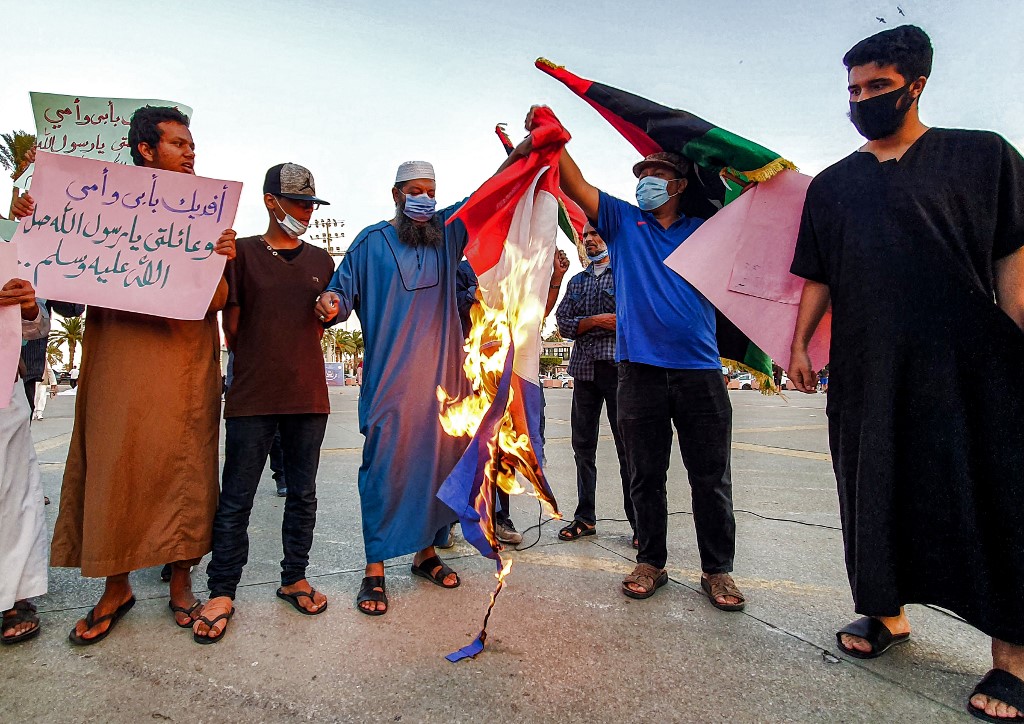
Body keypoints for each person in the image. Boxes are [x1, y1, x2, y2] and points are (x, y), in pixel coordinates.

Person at [787, 25, 1024, 721]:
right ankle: (886, 614)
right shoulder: (833, 185)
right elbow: (817, 276)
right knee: (871, 490)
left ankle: (1011, 658)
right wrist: (799, 346)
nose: (861, 100)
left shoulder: (983, 158)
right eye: (854, 90)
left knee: (991, 497)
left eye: (877, 88)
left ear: (916, 85)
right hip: (867, 365)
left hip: (972, 362)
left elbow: (1012, 273)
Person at [15, 105, 238, 644]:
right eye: (178, 143)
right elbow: (60, 288)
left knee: (186, 465)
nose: (190, 151)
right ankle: (117, 587)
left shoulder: (206, 211)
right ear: (145, 149)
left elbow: (221, 299)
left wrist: (221, 258)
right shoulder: (95, 201)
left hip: (185, 360)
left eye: (192, 143)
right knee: (118, 460)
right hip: (118, 352)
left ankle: (182, 583)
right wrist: (33, 219)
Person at [518, 109, 745, 610]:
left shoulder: (706, 229)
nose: (646, 184)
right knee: (645, 472)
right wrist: (550, 135)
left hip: (700, 372)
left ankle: (718, 571)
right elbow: (574, 183)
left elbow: (750, 205)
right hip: (638, 370)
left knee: (710, 477)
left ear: (681, 185)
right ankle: (651, 560)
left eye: (658, 177)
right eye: (641, 177)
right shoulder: (624, 222)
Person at [316, 161, 474, 616]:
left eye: (431, 191)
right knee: (385, 469)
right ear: (396, 194)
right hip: (391, 385)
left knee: (438, 467)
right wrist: (331, 303)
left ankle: (426, 554)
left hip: (444, 388)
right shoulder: (370, 242)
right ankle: (375, 569)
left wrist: (524, 152)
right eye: (415, 191)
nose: (424, 199)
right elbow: (341, 294)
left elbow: (490, 194)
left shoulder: (448, 233)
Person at [193, 163, 335, 643]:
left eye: (312, 205)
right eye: (298, 203)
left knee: (304, 495)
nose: (306, 213)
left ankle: (294, 577)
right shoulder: (243, 253)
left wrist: (330, 310)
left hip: (308, 396)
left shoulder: (321, 260)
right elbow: (230, 327)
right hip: (253, 395)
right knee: (237, 497)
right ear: (271, 201)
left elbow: (323, 320)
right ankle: (222, 590)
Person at [455, 250, 569, 547]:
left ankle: (500, 517)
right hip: (470, 378)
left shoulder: (516, 274)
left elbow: (538, 315)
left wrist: (555, 278)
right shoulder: (461, 271)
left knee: (503, 448)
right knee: (463, 450)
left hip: (507, 379)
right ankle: (453, 519)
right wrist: (477, 293)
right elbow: (453, 310)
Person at [554, 223, 635, 546]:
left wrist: (586, 326)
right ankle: (585, 517)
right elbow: (563, 323)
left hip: (620, 371)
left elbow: (631, 318)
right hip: (585, 373)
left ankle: (639, 523)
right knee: (583, 447)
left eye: (596, 234)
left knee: (627, 449)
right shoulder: (577, 282)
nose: (589, 240)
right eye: (585, 236)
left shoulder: (627, 275)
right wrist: (597, 321)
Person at [0, 278, 49, 645]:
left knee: (13, 497)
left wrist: (28, 305)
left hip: (4, 391)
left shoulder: (7, 249)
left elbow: (36, 326)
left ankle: (15, 596)